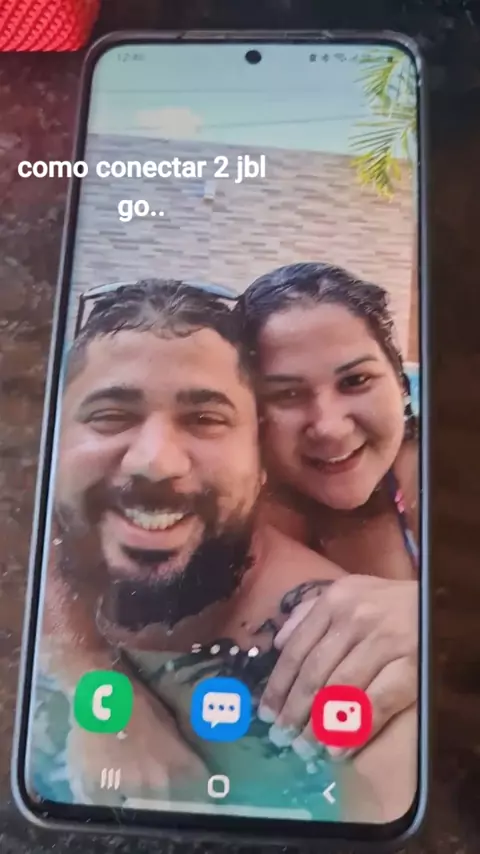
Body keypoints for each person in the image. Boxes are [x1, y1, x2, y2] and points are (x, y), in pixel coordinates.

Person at [36, 278, 411, 823]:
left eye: (205, 418)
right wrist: (95, 688)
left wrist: (430, 623)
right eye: (111, 415)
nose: (155, 461)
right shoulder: (61, 525)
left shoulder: (422, 486)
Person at [235, 262, 419, 787]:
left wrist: (432, 619)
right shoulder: (238, 507)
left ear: (400, 383)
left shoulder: (437, 471)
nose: (331, 428)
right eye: (287, 394)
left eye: (356, 380)